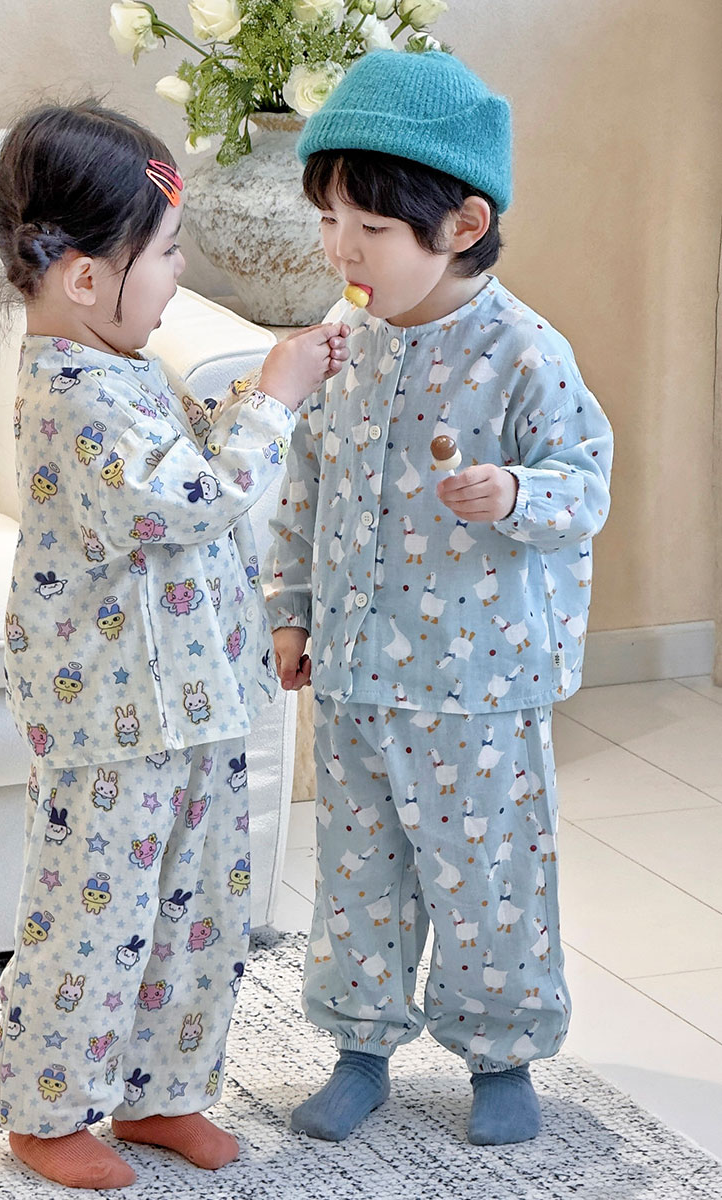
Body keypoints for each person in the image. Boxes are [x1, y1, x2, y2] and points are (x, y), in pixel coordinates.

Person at [0, 99, 348, 1189]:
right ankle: (50, 1112)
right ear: (84, 277)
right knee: (93, 925)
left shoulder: (127, 367)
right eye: (166, 254)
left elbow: (192, 476)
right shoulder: (68, 394)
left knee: (201, 911)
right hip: (111, 719)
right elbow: (185, 503)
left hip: (197, 699)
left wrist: (254, 393)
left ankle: (163, 1092)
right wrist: (273, 401)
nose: (179, 275)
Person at [263, 49, 613, 1147]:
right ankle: (359, 1048)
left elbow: (586, 484)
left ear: (462, 225)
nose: (340, 249)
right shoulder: (341, 343)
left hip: (479, 685)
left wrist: (513, 492)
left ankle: (502, 1057)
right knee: (357, 875)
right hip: (357, 677)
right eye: (330, 221)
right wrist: (290, 608)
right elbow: (304, 484)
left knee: (489, 880)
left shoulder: (525, 352)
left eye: (368, 228)